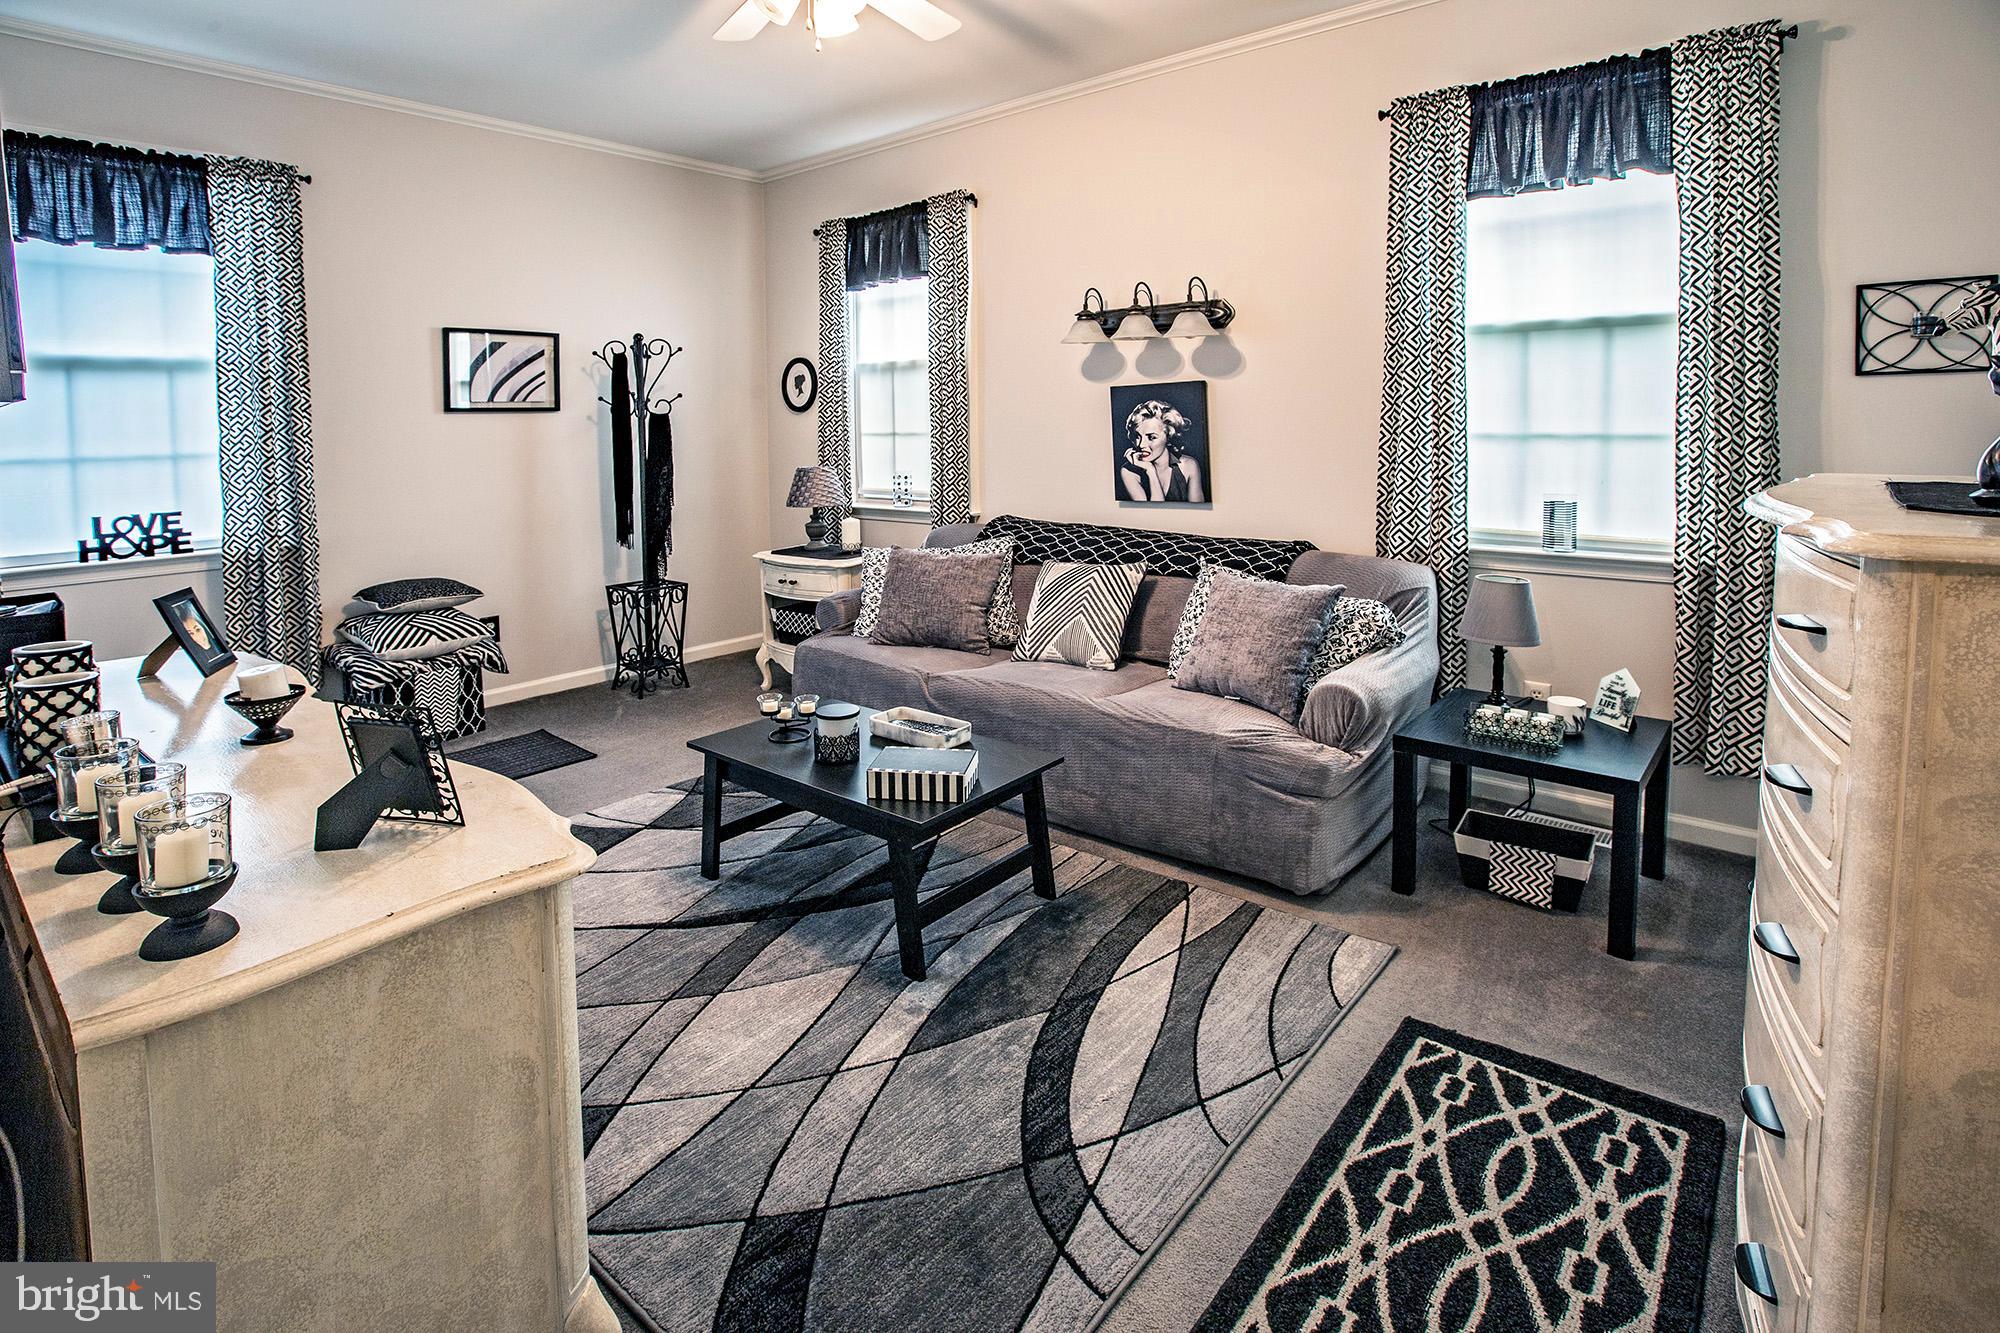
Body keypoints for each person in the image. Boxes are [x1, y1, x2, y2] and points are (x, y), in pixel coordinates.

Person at [1117, 400, 1206, 503]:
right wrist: (1150, 471)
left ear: (1168, 436)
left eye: (1151, 437)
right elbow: (1151, 514)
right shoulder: (1129, 472)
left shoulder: (1189, 466)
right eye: (1137, 436)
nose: (1141, 445)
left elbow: (1199, 513)